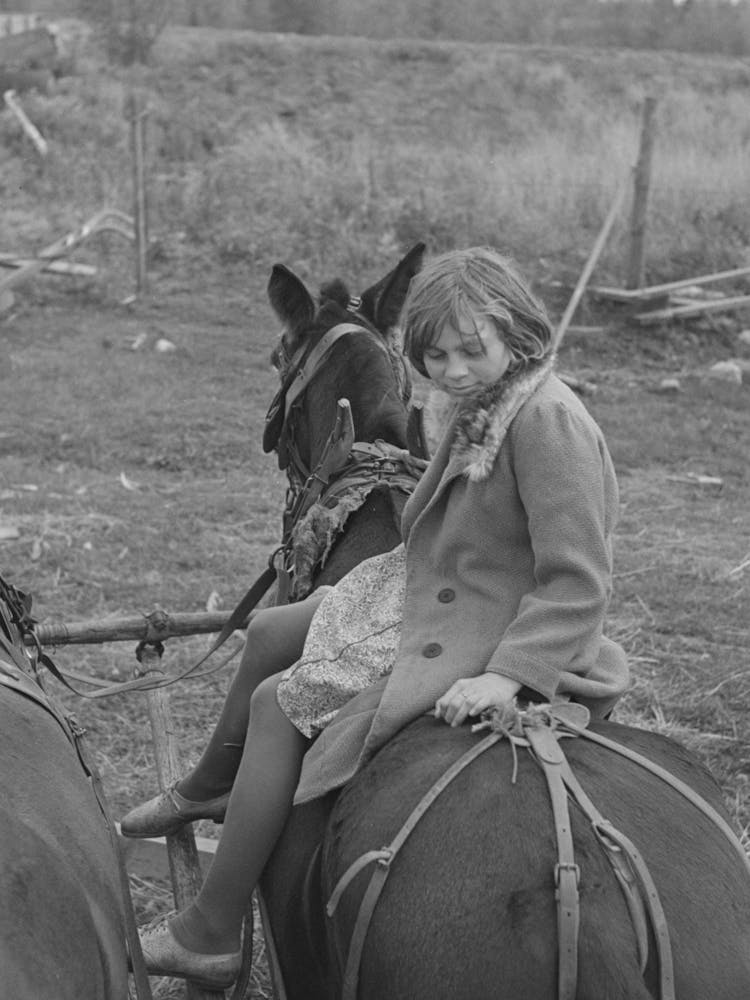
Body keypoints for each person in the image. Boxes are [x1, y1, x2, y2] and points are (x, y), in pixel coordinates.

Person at [126, 246, 629, 989]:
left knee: (278, 703)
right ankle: (209, 786)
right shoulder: (487, 400)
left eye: (469, 351)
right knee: (270, 630)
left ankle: (210, 929)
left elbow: (578, 580)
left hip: (486, 619)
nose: (452, 370)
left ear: (517, 333)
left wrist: (507, 676)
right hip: (429, 582)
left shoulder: (548, 421)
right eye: (434, 356)